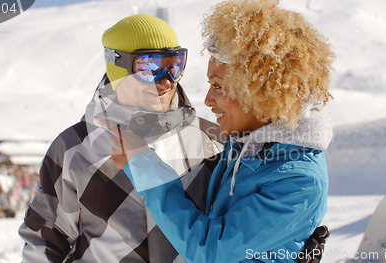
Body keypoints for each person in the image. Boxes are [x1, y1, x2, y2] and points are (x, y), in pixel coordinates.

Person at [102, 0, 335, 262]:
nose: (208, 100)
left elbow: (210, 250)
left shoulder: (298, 180)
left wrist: (143, 164)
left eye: (219, 86)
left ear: (261, 92)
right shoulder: (246, 147)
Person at [18, 14, 224, 263]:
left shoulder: (212, 142)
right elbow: (44, 242)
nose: (166, 80)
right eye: (150, 67)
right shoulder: (73, 148)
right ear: (118, 69)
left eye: (175, 65)